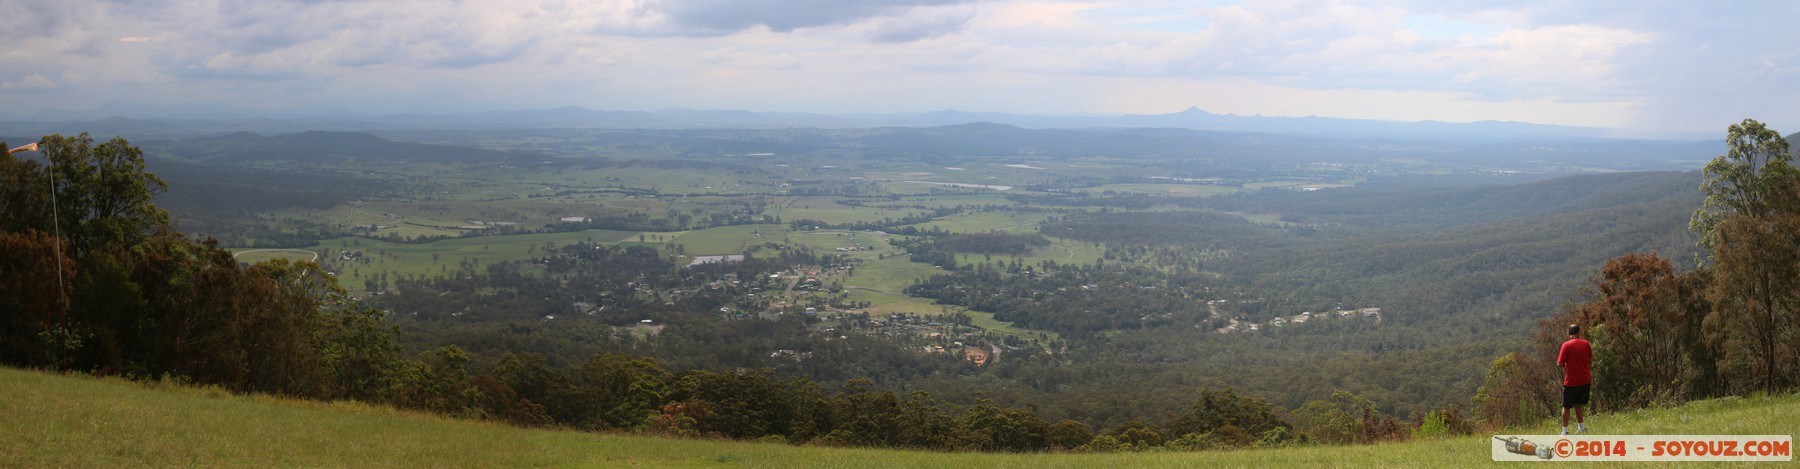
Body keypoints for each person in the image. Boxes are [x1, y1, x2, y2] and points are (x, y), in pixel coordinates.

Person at [1558, 324, 1592, 435]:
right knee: (1578, 404)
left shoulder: (1566, 345)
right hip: (1585, 379)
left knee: (1566, 406)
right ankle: (1581, 428)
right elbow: (1590, 358)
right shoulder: (1586, 344)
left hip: (1571, 381)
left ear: (1569, 334)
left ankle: (1564, 431)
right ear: (1579, 333)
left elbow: (1560, 363)